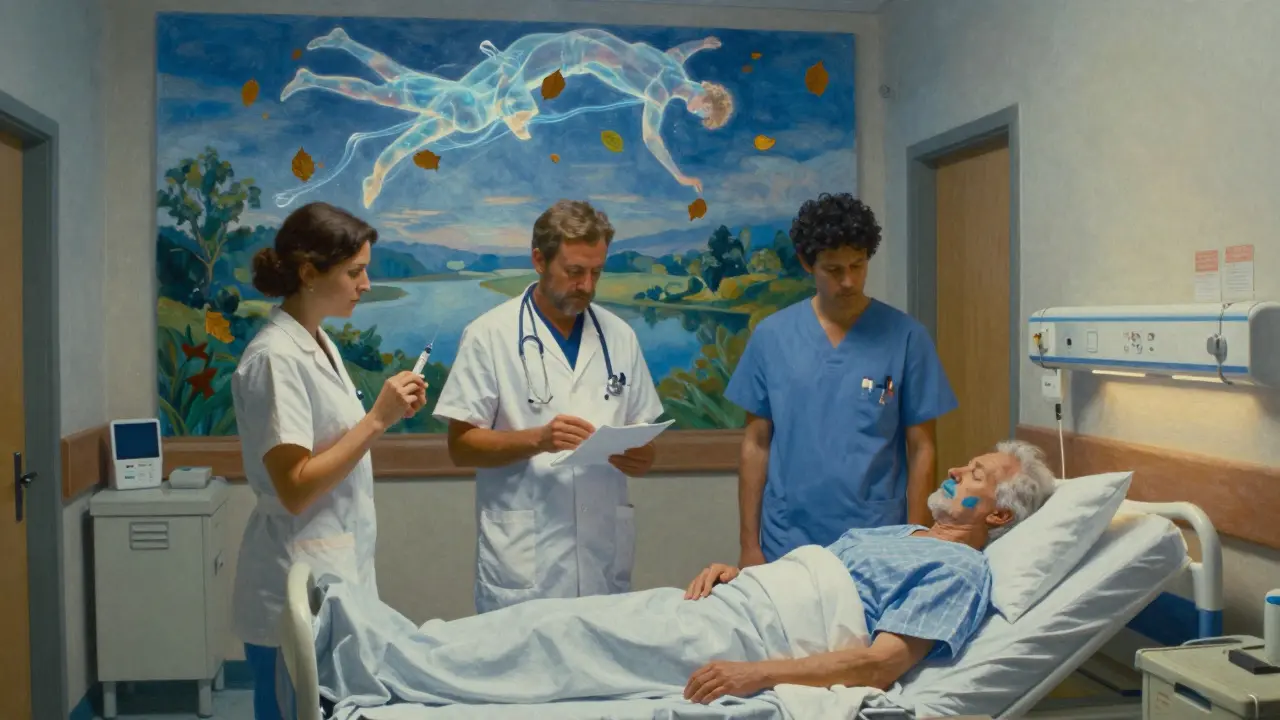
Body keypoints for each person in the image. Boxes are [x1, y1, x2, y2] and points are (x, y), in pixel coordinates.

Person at [310, 440, 1057, 717]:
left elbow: (882, 664)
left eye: (975, 475)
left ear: (997, 515)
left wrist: (756, 674)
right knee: (552, 625)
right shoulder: (908, 533)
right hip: (734, 600)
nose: (956, 471)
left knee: (557, 637)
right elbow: (824, 579)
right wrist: (743, 570)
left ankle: (376, 661)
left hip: (750, 638)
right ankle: (382, 650)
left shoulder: (959, 568)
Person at [230, 201, 428, 720]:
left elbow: (332, 446)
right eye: (354, 272)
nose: (366, 284)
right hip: (292, 581)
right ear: (308, 273)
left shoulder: (318, 343)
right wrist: (377, 419)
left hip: (333, 570)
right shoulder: (275, 358)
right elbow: (294, 487)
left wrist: (385, 415)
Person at [432, 199, 665, 614]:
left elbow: (644, 443)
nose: (587, 286)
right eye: (574, 271)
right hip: (524, 569)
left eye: (596, 272)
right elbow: (461, 446)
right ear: (539, 260)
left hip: (602, 558)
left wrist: (641, 457)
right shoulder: (489, 335)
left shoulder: (620, 337)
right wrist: (538, 439)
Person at [725, 192, 959, 569]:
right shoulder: (771, 337)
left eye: (858, 265)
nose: (849, 281)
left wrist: (916, 540)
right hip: (788, 536)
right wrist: (749, 545)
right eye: (833, 270)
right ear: (807, 264)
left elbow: (922, 448)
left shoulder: (906, 337)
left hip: (879, 537)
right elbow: (756, 443)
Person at [280, 27, 733, 207]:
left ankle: (337, 52)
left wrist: (703, 45)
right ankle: (320, 69)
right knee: (392, 93)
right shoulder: (661, 89)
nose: (696, 115)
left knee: (402, 96)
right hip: (553, 53)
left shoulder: (673, 69)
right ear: (705, 101)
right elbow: (651, 138)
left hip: (540, 56)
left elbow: (678, 52)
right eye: (703, 113)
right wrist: (679, 175)